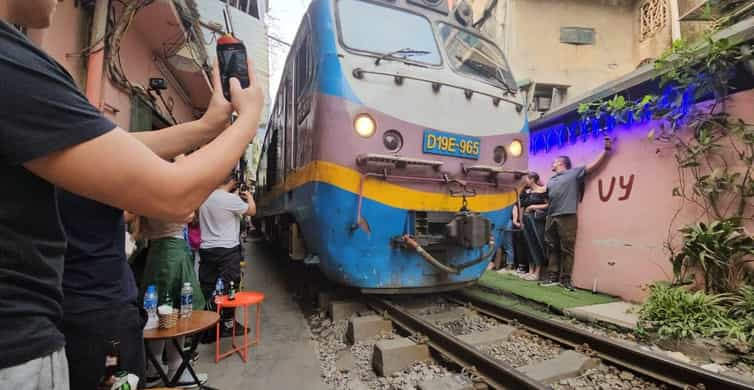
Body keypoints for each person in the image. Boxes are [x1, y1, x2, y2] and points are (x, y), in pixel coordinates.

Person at [0, 1, 263, 388]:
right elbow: (175, 196)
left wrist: (210, 125)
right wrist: (250, 119)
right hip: (21, 352)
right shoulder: (12, 66)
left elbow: (130, 144)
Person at [59, 65, 235, 390]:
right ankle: (175, 370)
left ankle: (160, 370)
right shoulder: (119, 176)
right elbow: (182, 208)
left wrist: (208, 126)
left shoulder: (74, 166)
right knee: (175, 318)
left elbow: (133, 218)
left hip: (145, 263)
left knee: (159, 318)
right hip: (125, 295)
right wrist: (243, 122)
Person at [139, 215, 207, 387]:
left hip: (156, 250)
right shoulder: (168, 190)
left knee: (156, 311)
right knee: (179, 310)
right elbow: (189, 214)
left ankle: (154, 369)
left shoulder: (145, 193)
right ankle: (175, 369)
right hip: (173, 249)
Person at [541, 137, 613, 290]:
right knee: (552, 246)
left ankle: (565, 279)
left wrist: (605, 151)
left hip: (567, 215)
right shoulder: (551, 180)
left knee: (567, 248)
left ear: (561, 163)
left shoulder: (573, 173)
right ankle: (552, 276)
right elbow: (545, 195)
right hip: (551, 215)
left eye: (554, 161)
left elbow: (592, 166)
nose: (552, 164)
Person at [198, 176, 256, 337]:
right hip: (227, 250)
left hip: (207, 249)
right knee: (230, 287)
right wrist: (249, 197)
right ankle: (228, 324)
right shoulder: (230, 200)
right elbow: (252, 211)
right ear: (231, 181)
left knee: (208, 286)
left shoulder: (204, 197)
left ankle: (208, 325)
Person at [519, 172, 548, 281]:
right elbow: (521, 206)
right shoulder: (526, 192)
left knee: (538, 243)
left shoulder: (542, 190)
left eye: (526, 178)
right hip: (526, 220)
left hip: (537, 220)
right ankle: (530, 271)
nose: (525, 180)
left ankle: (537, 272)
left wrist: (533, 206)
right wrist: (520, 221)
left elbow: (548, 204)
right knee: (528, 244)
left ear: (532, 179)